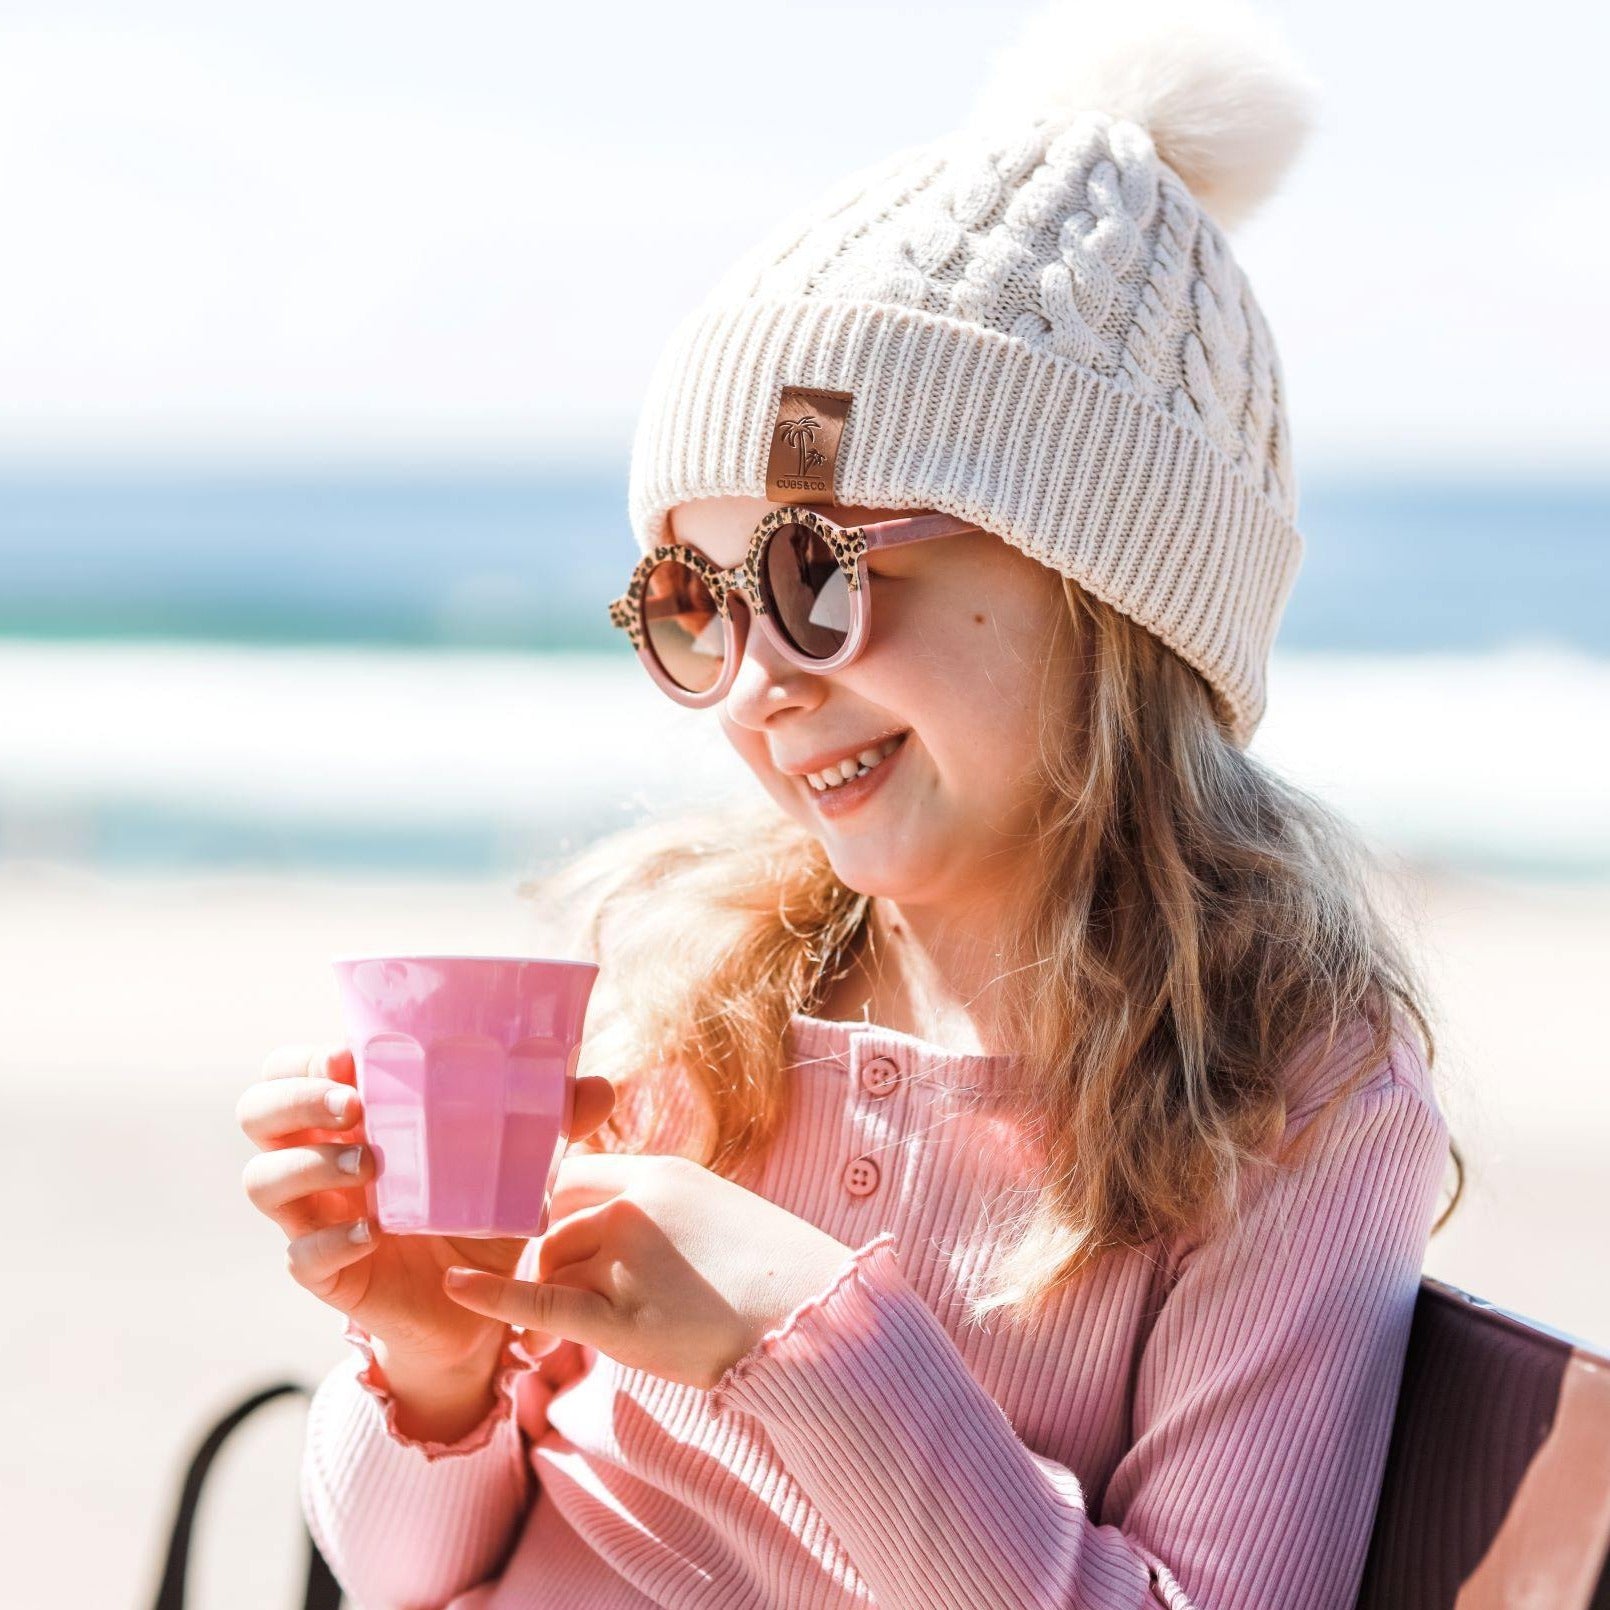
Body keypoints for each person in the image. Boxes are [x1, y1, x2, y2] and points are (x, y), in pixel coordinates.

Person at [238, 1, 1466, 1604]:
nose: (754, 676)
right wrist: (428, 1356)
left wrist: (797, 1331)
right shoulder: (708, 1001)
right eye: (695, 598)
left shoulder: (1286, 1102)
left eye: (816, 573)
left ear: (1110, 590)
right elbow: (400, 1566)